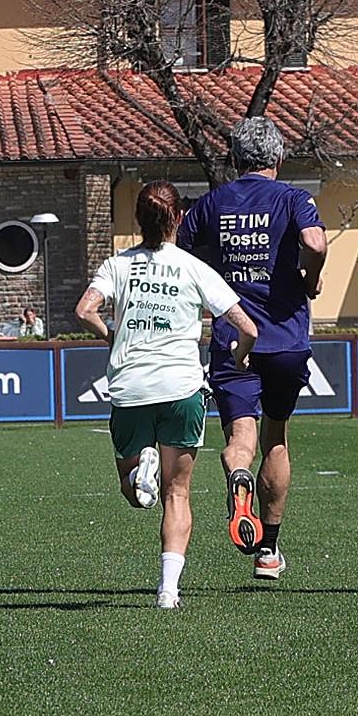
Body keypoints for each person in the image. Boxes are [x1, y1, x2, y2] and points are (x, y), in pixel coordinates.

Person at [73, 180, 259, 609]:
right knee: (177, 494)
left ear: (138, 220)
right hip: (181, 388)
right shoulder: (194, 268)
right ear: (179, 218)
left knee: (130, 488)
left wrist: (111, 335)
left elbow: (84, 310)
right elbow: (247, 326)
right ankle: (168, 591)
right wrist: (238, 356)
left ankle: (141, 470)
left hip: (131, 387)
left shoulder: (117, 266)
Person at [175, 116, 328, 582]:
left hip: (233, 337)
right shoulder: (293, 198)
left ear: (236, 159)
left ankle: (236, 474)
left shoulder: (210, 204)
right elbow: (314, 241)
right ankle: (268, 552)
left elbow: (179, 253)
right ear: (278, 159)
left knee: (240, 440)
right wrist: (311, 277)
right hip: (285, 338)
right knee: (276, 438)